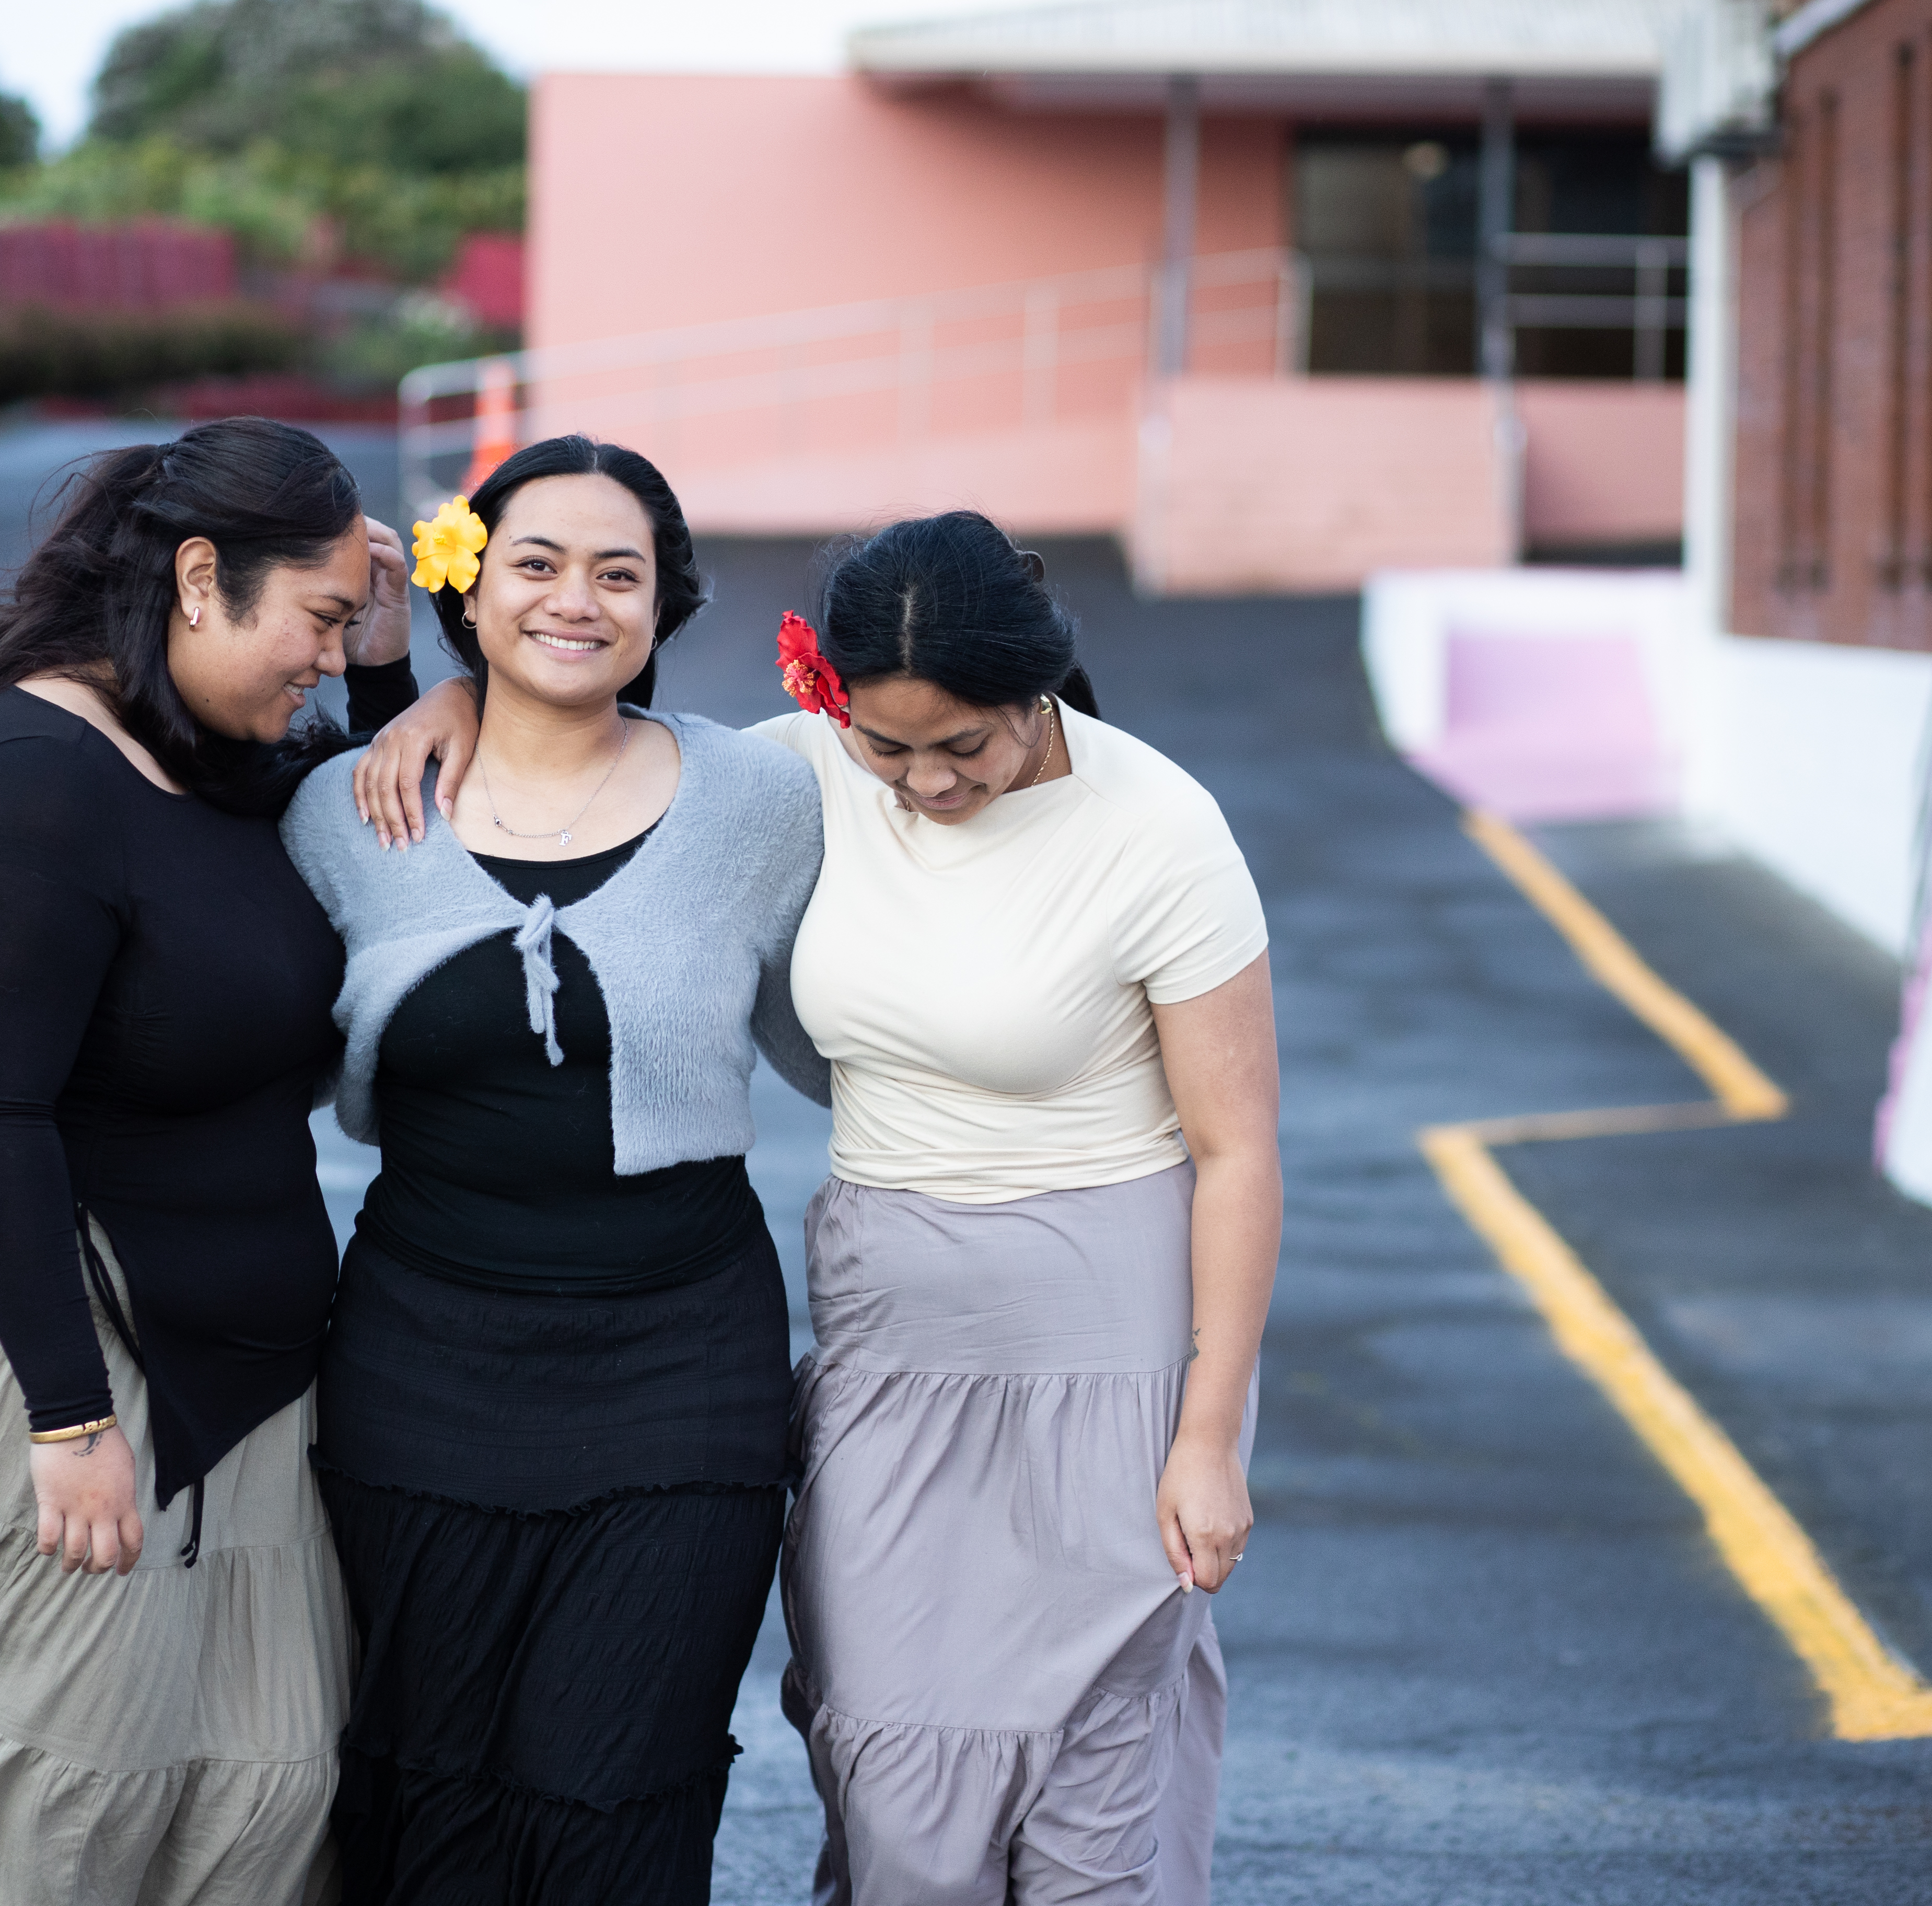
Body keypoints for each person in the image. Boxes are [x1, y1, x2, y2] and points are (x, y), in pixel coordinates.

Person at [352, 509, 1280, 1903]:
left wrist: (1207, 1439)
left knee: (1096, 1785)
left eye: (964, 746)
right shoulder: (791, 775)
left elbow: (1241, 1151)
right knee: (891, 1776)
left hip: (1114, 1339)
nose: (924, 782)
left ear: (1036, 690)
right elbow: (588, 758)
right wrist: (442, 698)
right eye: (887, 746)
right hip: (891, 1329)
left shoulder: (1159, 830)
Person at [0, 417, 421, 1906]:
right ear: (201, 580)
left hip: (246, 1361)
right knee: (46, 1807)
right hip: (52, 1341)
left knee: (258, 1804)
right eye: (322, 620)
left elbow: (396, 834)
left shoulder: (220, 758)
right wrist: (69, 1417)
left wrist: (399, 670)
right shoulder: (36, 772)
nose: (331, 661)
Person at [278, 434, 827, 1901]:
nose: (574, 599)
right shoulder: (351, 816)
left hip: (679, 1376)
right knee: (422, 1778)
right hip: (421, 1368)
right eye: (535, 563)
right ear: (472, 587)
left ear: (665, 605)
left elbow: (946, 836)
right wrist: (408, 699)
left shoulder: (763, 804)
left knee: (615, 1786)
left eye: (618, 573)